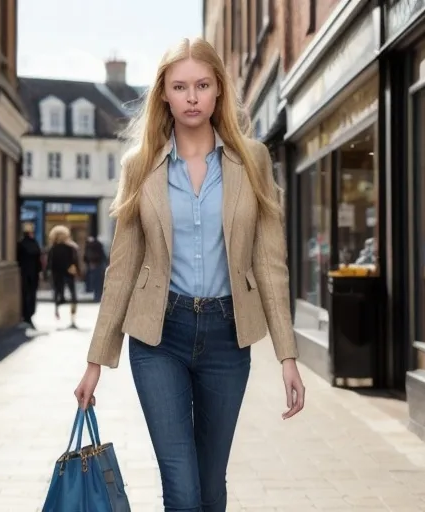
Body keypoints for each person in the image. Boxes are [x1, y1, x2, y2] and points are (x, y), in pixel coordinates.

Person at [74, 37, 305, 511]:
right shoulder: (139, 166)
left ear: (219, 89)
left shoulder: (253, 161)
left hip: (227, 337)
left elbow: (270, 262)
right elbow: (122, 267)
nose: (193, 97)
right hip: (160, 337)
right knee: (181, 487)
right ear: (164, 94)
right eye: (180, 87)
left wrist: (287, 356)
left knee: (210, 482)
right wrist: (96, 361)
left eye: (202, 84)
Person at [47, 225, 81, 328]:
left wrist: (46, 274)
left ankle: (57, 312)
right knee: (73, 296)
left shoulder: (52, 249)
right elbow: (75, 261)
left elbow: (49, 263)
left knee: (58, 293)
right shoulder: (70, 248)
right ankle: (73, 319)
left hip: (57, 274)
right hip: (68, 273)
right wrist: (78, 272)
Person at [16, 223, 42, 329]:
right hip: (33, 273)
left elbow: (18, 258)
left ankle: (26, 316)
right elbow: (38, 259)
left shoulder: (21, 244)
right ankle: (29, 315)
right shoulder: (34, 243)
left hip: (25, 272)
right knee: (31, 294)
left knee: (25, 294)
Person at [83, 235, 108, 302]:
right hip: (98, 264)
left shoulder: (90, 246)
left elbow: (87, 256)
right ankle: (97, 296)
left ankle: (96, 296)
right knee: (98, 282)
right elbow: (103, 256)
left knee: (95, 281)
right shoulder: (98, 245)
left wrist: (89, 262)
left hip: (94, 265)